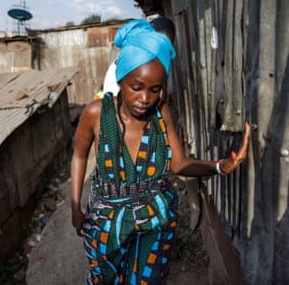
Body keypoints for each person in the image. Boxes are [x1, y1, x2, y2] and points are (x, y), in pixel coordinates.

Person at [70, 19, 251, 284]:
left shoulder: (160, 114)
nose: (145, 99)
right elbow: (79, 155)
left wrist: (219, 166)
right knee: (104, 278)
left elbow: (179, 164)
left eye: (154, 90)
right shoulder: (96, 113)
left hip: (155, 222)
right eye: (136, 88)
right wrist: (75, 206)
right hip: (105, 223)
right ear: (121, 79)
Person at [102, 16, 176, 99]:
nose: (164, 52)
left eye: (169, 47)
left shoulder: (158, 66)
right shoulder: (128, 69)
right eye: (159, 45)